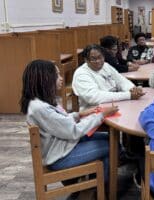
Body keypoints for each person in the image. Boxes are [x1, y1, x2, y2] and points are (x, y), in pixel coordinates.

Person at [20, 59, 118, 188]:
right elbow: (73, 131)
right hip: (60, 156)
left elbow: (60, 121)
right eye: (56, 76)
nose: (61, 79)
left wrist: (79, 114)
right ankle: (99, 188)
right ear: (43, 80)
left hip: (62, 145)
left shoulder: (39, 101)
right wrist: (102, 115)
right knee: (112, 146)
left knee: (110, 138)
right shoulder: (40, 108)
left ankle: (94, 184)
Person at [72, 44, 145, 111]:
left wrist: (132, 89)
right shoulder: (81, 74)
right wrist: (128, 95)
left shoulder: (106, 66)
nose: (98, 61)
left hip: (115, 105)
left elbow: (121, 80)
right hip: (94, 112)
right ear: (86, 60)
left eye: (100, 57)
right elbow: (95, 97)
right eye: (93, 59)